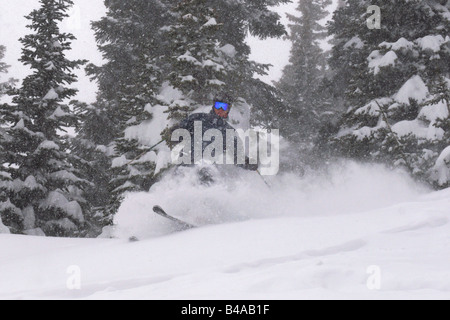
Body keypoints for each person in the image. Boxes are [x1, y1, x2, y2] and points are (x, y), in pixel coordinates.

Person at [170, 96, 258, 172]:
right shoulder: (197, 118)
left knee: (206, 172)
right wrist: (176, 132)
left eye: (224, 107)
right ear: (213, 106)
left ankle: (209, 190)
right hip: (186, 161)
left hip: (207, 166)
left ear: (228, 110)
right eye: (218, 105)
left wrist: (247, 162)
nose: (220, 109)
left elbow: (237, 156)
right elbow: (179, 132)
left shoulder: (229, 131)